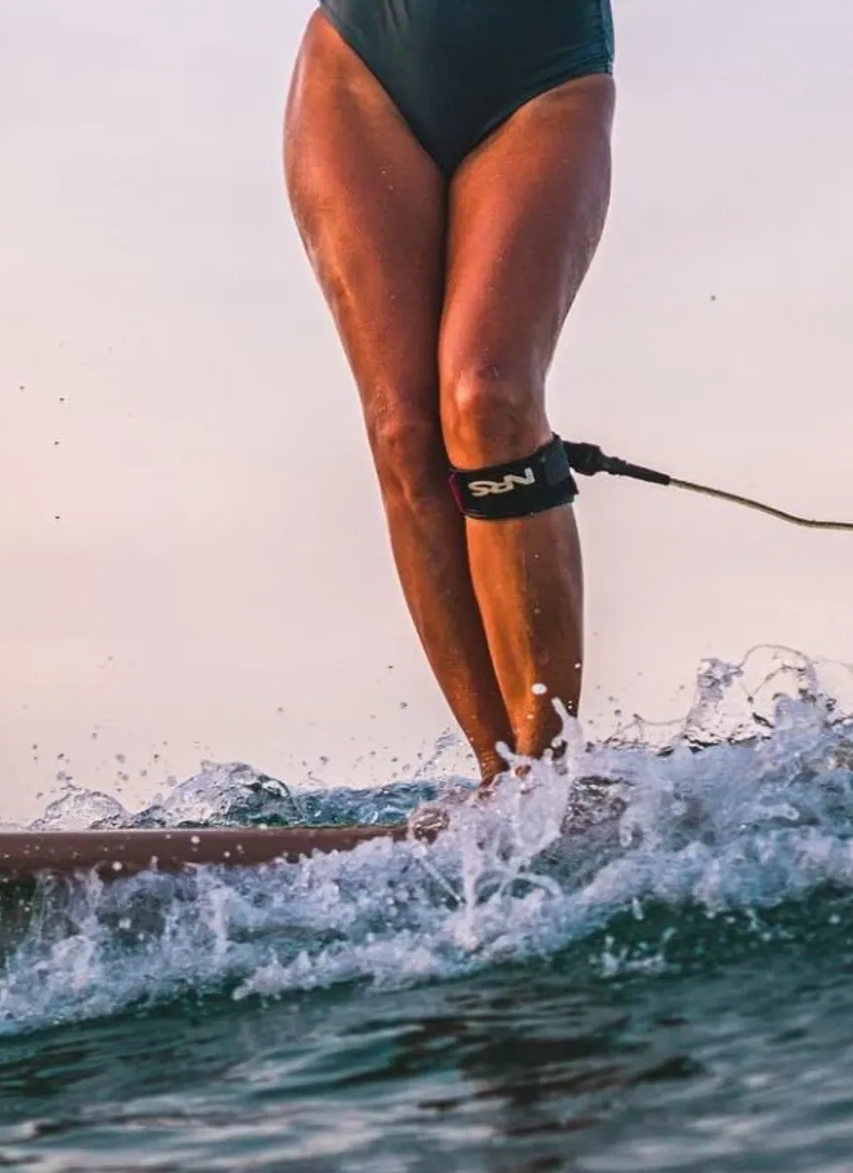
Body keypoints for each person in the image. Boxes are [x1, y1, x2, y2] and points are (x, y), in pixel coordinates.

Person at [283, 1, 616, 781]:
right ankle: (501, 782)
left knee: (487, 396)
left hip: (542, 69)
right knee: (404, 429)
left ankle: (548, 778)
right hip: (364, 62)